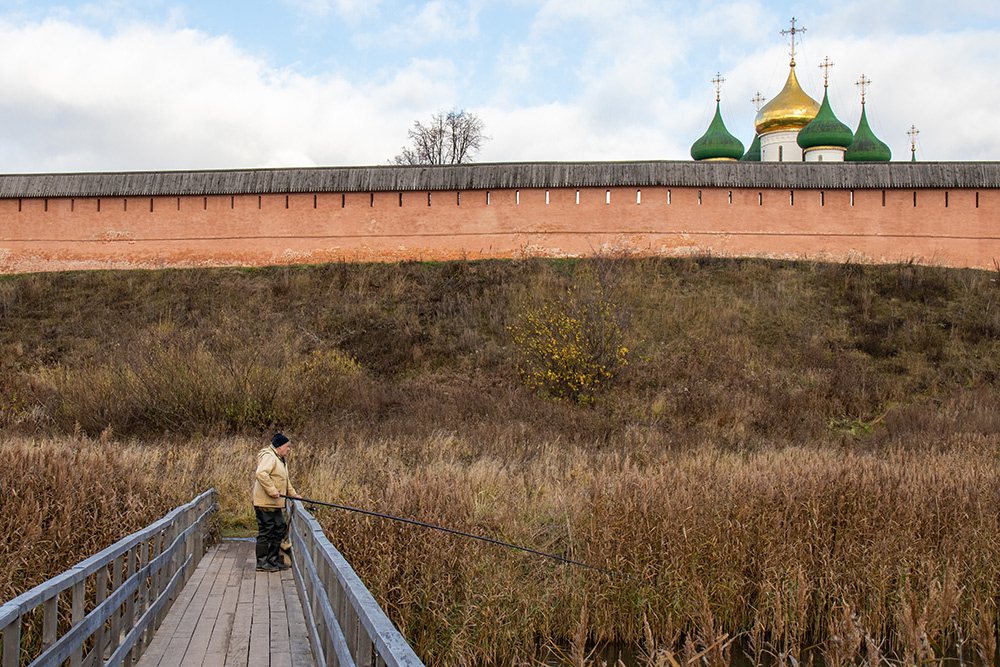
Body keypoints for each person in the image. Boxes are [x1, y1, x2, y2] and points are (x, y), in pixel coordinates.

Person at [253, 433, 302, 572]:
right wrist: (272, 490)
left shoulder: (280, 459)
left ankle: (273, 560)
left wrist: (294, 495)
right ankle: (262, 563)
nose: (289, 449)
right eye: (287, 447)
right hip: (265, 503)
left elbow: (285, 481)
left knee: (280, 528)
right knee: (266, 531)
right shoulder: (269, 456)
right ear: (279, 447)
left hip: (275, 504)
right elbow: (261, 473)